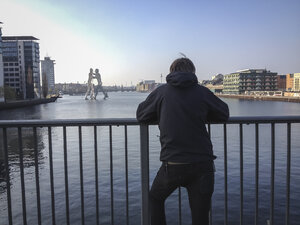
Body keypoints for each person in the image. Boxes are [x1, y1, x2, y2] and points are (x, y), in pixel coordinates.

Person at [136, 57, 229, 225]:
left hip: (173, 165)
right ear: (192, 72)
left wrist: (161, 113)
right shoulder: (202, 91)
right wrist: (202, 114)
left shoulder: (162, 92)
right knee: (200, 217)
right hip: (202, 164)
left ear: (172, 71)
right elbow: (224, 113)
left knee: (155, 198)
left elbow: (141, 115)